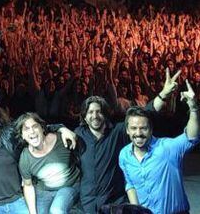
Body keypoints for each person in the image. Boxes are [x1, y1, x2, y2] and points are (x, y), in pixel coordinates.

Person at [74, 68, 180, 214]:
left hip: (113, 203)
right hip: (87, 203)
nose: (95, 115)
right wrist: (60, 128)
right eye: (90, 112)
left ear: (105, 114)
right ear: (85, 117)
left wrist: (163, 94)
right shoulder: (78, 134)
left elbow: (145, 113)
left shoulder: (117, 132)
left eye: (98, 111)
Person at [119, 80, 200, 214]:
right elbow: (130, 184)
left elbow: (191, 137)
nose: (138, 133)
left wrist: (193, 108)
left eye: (143, 128)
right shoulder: (124, 154)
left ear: (151, 129)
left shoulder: (167, 148)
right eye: (133, 128)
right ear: (127, 130)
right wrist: (136, 210)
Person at [15, 112, 80, 214]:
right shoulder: (25, 157)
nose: (31, 131)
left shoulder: (61, 139)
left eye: (35, 126)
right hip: (44, 191)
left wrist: (64, 129)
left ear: (42, 128)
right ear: (22, 135)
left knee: (56, 210)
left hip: (69, 186)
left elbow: (78, 144)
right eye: (26, 129)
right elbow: (28, 185)